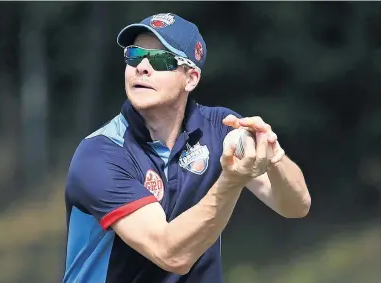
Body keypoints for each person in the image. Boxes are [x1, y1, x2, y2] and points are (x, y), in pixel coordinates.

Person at [62, 12, 311, 283]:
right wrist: (231, 181)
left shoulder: (218, 127)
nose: (142, 67)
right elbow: (170, 253)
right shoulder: (100, 154)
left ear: (191, 78)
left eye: (160, 59)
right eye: (134, 55)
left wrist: (274, 155)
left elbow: (296, 205)